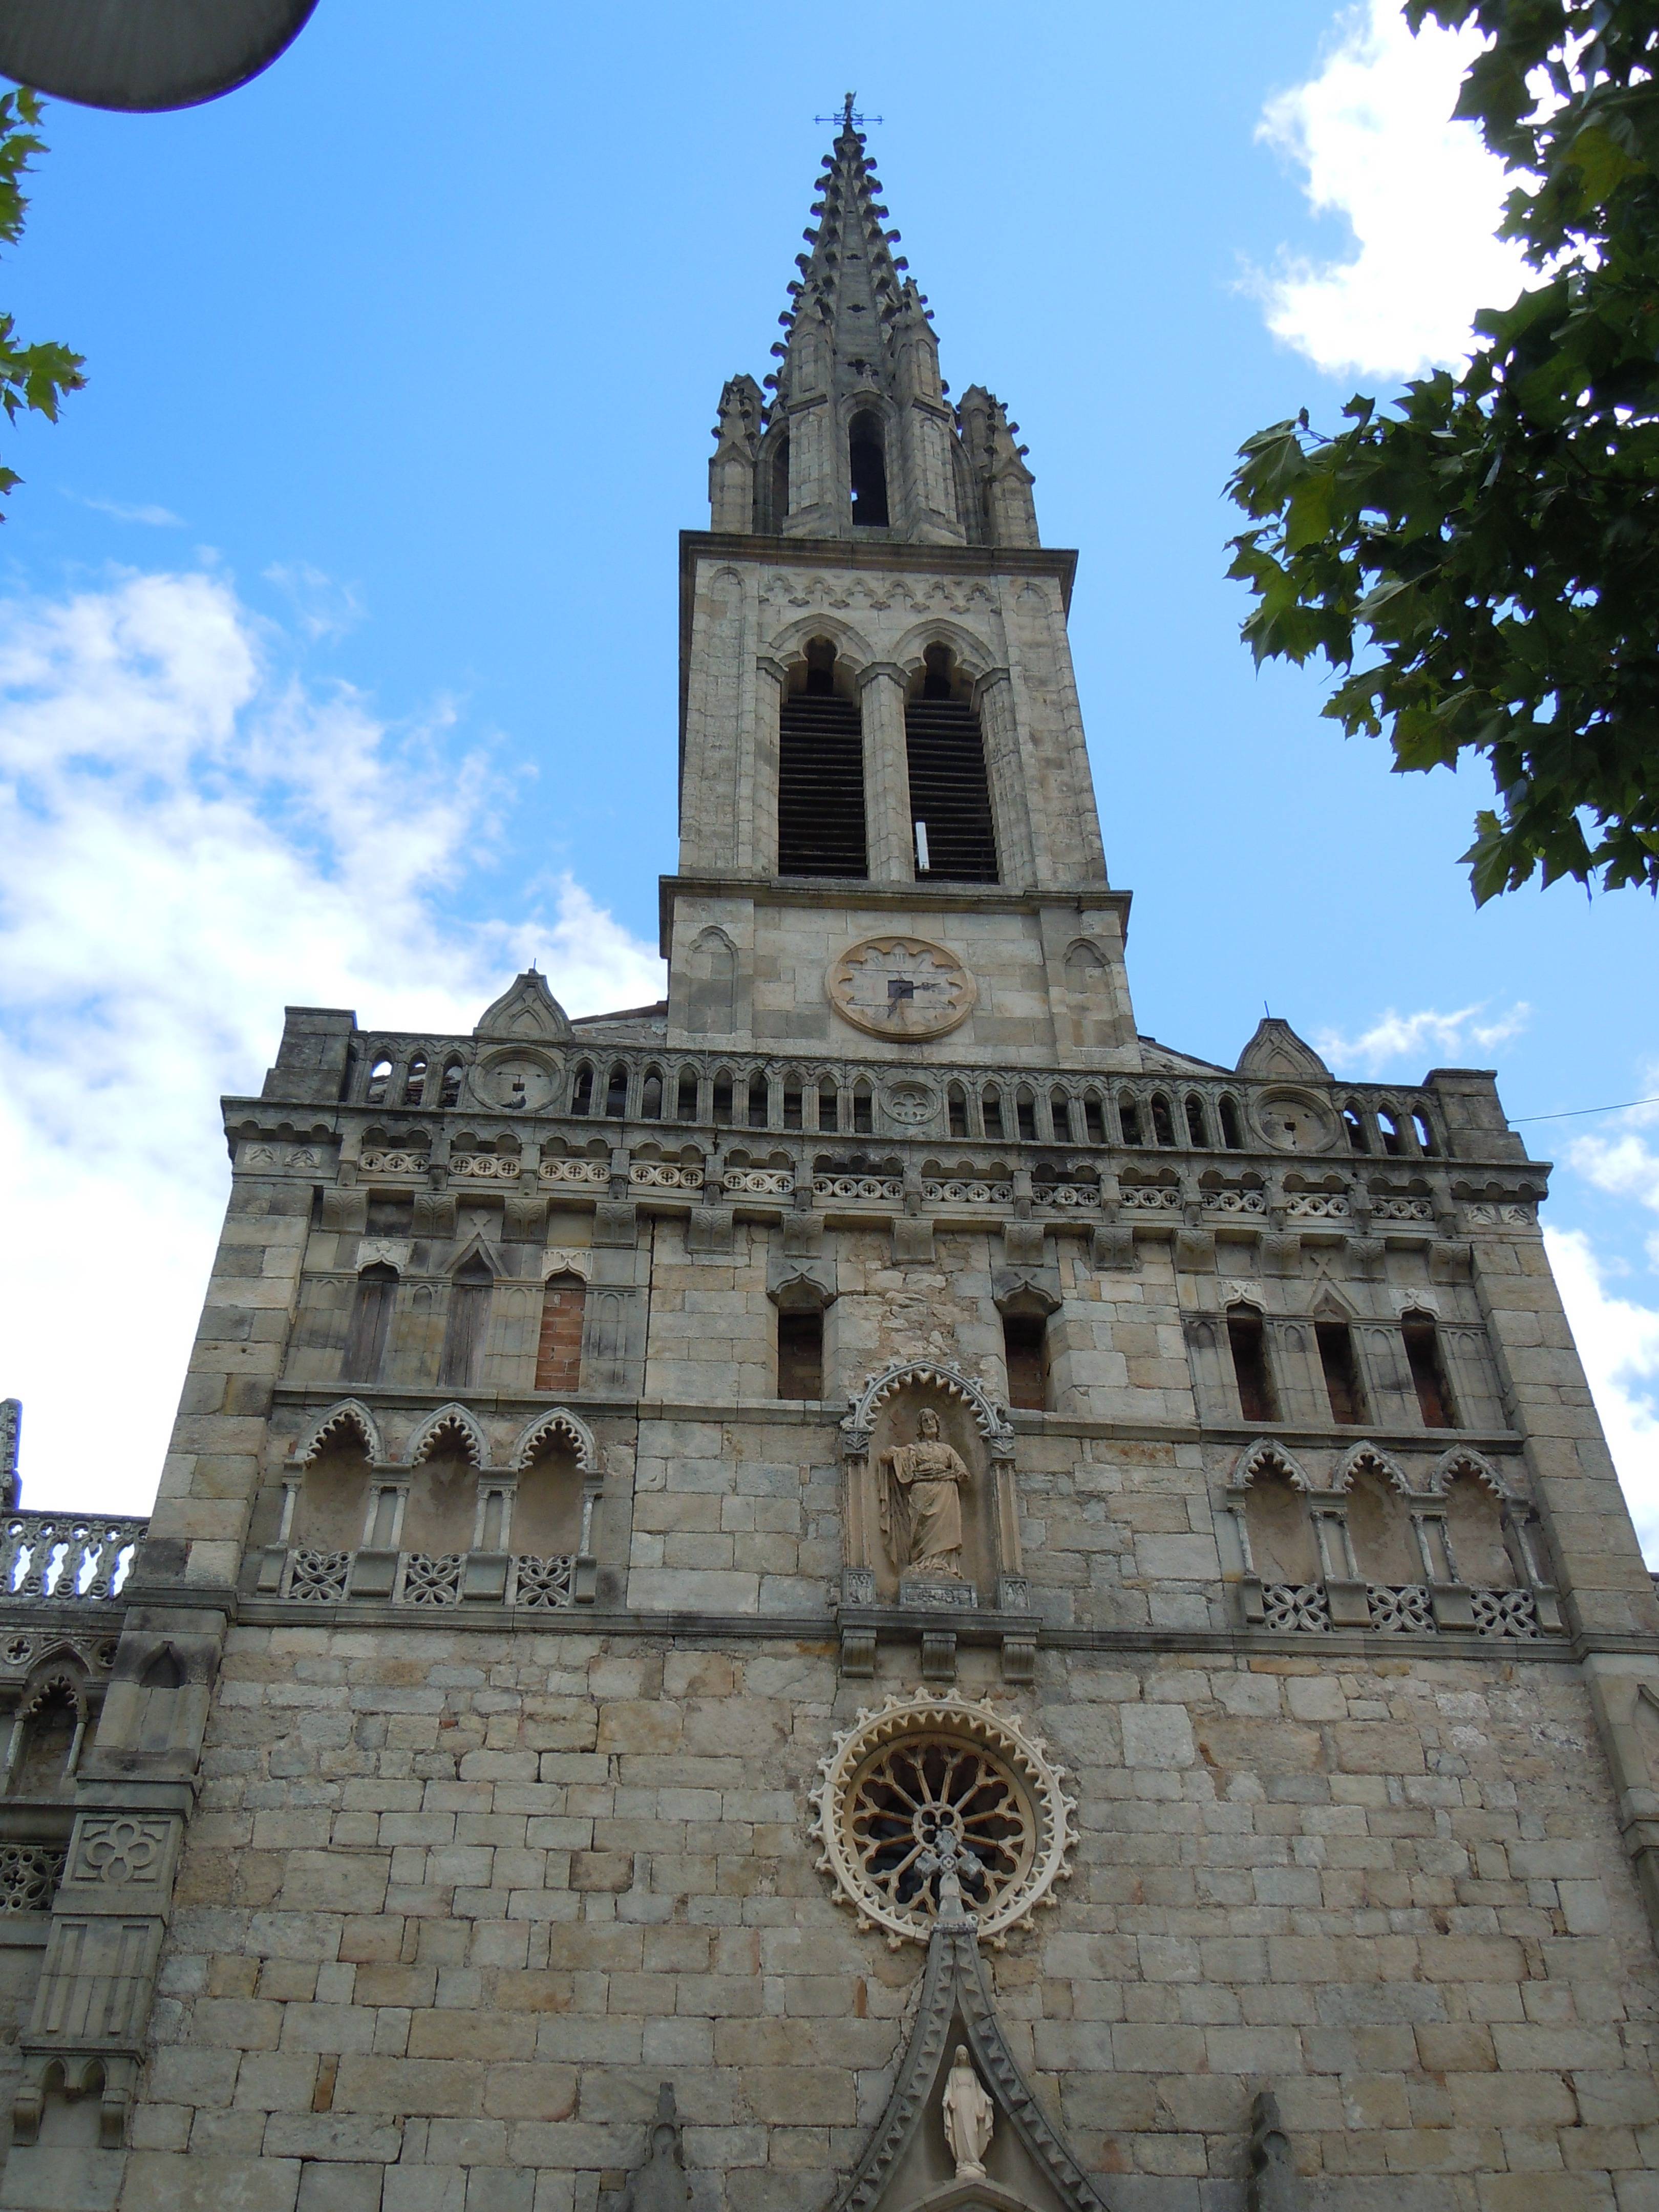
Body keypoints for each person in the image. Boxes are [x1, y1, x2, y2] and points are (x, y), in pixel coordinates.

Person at [878, 1406, 971, 1576]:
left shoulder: (947, 1449)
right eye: (925, 1421)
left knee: (945, 1531)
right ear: (920, 1427)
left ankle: (944, 1565)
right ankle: (920, 1563)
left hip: (945, 1491)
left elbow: (960, 1466)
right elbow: (888, 1456)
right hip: (921, 1491)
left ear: (937, 1423)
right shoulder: (915, 1449)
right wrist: (893, 1453)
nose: (929, 1423)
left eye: (931, 1420)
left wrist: (962, 1473)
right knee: (920, 1530)